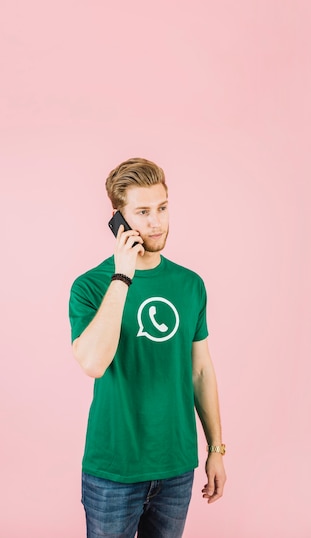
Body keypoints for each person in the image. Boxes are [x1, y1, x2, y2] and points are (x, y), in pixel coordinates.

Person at [69, 157, 226, 538]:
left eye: (162, 208)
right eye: (142, 212)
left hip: (176, 466)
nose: (156, 222)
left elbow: (200, 369)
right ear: (119, 219)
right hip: (114, 470)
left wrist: (216, 450)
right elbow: (92, 362)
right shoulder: (89, 286)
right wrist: (123, 275)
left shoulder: (190, 285)